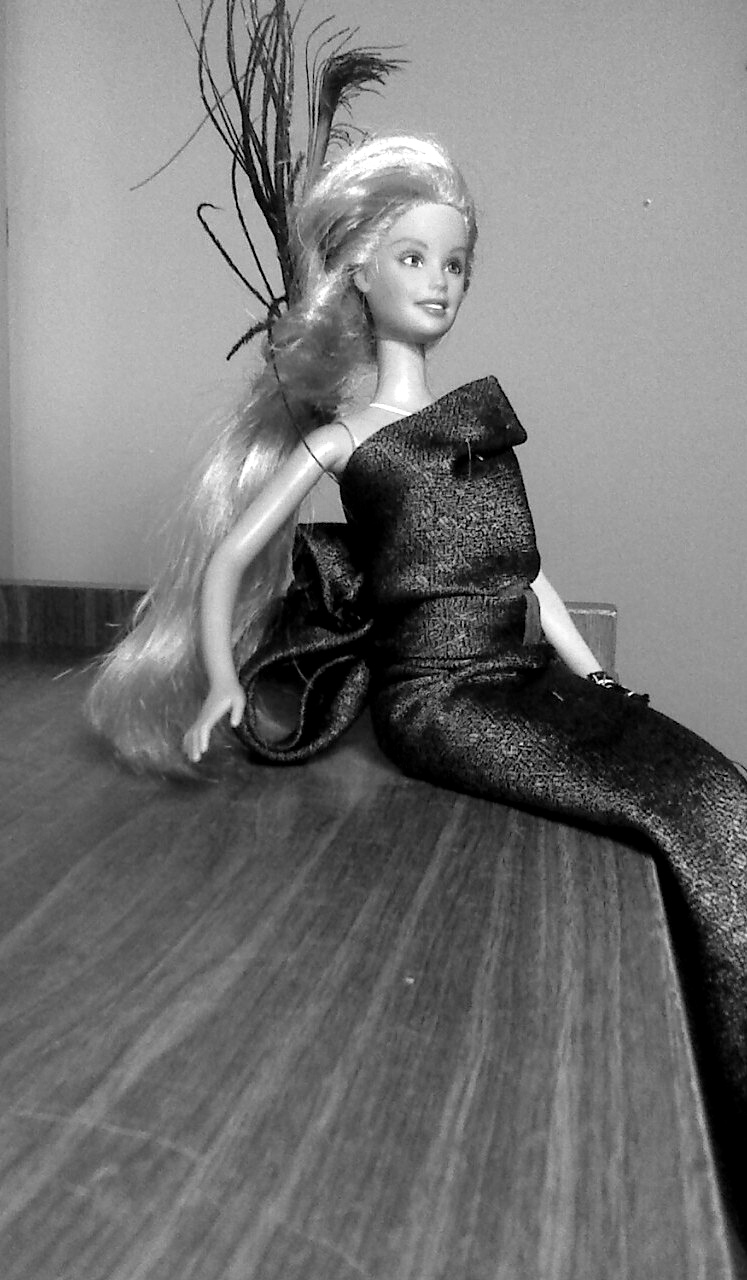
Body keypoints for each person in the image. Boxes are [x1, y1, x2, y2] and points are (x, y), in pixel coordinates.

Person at [87, 135, 747, 1193]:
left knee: (716, 790)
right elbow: (230, 560)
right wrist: (221, 678)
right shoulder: (345, 437)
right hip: (439, 703)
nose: (439, 283)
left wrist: (589, 670)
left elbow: (525, 571)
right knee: (674, 814)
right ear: (358, 270)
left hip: (520, 676)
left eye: (455, 264)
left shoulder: (473, 424)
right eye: (413, 258)